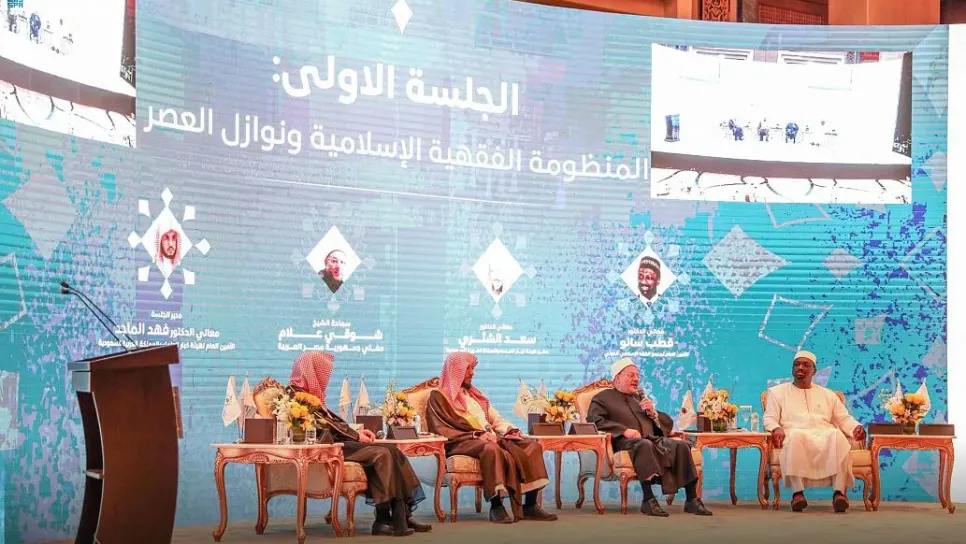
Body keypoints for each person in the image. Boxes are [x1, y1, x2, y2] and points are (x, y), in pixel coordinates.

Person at [289, 352, 431, 536]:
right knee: (382, 454)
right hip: (327, 448)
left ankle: (403, 515)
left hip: (340, 442)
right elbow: (322, 426)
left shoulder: (308, 394)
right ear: (312, 371)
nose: (326, 379)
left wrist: (357, 433)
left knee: (393, 450)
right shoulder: (295, 396)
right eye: (323, 372)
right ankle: (383, 520)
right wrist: (356, 436)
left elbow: (332, 423)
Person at [425, 352, 556, 523]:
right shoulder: (439, 397)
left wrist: (510, 430)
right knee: (492, 449)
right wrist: (477, 434)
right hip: (460, 442)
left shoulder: (474, 395)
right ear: (456, 370)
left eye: (472, 368)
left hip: (488, 438)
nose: (472, 373)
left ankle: (530, 505)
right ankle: (496, 507)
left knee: (533, 446)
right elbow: (441, 429)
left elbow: (495, 419)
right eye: (468, 369)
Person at [586, 358, 711, 517]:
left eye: (637, 376)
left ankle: (692, 499)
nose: (636, 379)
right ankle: (648, 500)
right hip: (624, 442)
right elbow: (594, 421)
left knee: (681, 445)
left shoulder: (638, 398)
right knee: (644, 445)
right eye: (631, 375)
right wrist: (624, 431)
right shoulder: (602, 398)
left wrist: (654, 413)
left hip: (651, 439)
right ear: (617, 378)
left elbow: (664, 425)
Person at [763, 350, 865, 513]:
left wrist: (856, 427)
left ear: (814, 371)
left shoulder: (828, 395)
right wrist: (776, 428)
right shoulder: (777, 392)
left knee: (837, 435)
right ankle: (798, 495)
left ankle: (839, 494)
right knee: (796, 437)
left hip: (823, 433)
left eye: (805, 365)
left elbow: (843, 419)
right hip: (794, 433)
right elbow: (769, 417)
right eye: (797, 364)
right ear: (792, 369)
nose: (800, 368)